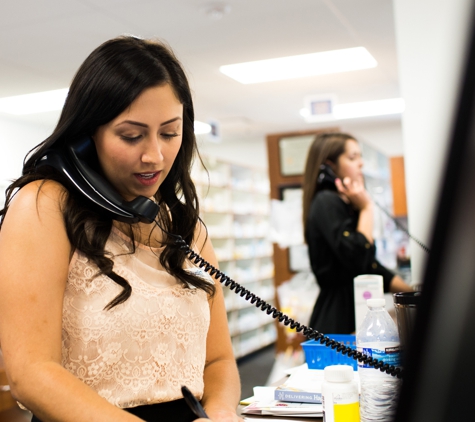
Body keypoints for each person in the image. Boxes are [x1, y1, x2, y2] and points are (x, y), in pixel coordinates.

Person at [0, 36, 243, 422]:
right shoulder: (44, 207)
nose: (154, 156)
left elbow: (218, 360)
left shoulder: (185, 229)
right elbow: (31, 373)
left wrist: (222, 412)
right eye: (131, 136)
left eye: (169, 133)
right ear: (86, 137)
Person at [302, 132, 412, 334]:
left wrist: (411, 293)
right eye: (352, 158)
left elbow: (369, 267)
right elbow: (359, 255)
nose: (361, 164)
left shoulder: (345, 204)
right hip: (337, 322)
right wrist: (367, 208)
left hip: (354, 313)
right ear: (329, 166)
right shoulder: (326, 202)